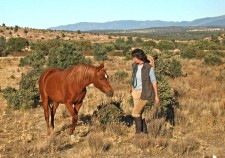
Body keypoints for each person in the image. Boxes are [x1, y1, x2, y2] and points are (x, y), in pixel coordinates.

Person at [131, 48, 160, 134]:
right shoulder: (134, 66)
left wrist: (156, 96)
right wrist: (132, 89)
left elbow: (154, 82)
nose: (133, 59)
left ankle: (138, 133)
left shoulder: (148, 68)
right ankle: (145, 131)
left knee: (135, 113)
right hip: (135, 92)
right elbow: (133, 78)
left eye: (134, 57)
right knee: (140, 112)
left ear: (138, 57)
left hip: (144, 93)